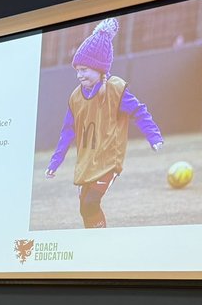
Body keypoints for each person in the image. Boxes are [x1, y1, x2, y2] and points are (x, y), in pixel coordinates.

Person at [45, 17, 164, 228]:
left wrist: (154, 137)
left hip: (109, 161)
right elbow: (67, 131)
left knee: (91, 203)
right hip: (87, 163)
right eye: (78, 70)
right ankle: (96, 240)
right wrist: (55, 162)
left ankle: (100, 241)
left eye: (85, 70)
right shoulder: (75, 97)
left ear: (100, 69)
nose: (80, 75)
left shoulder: (116, 90)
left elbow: (139, 112)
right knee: (84, 207)